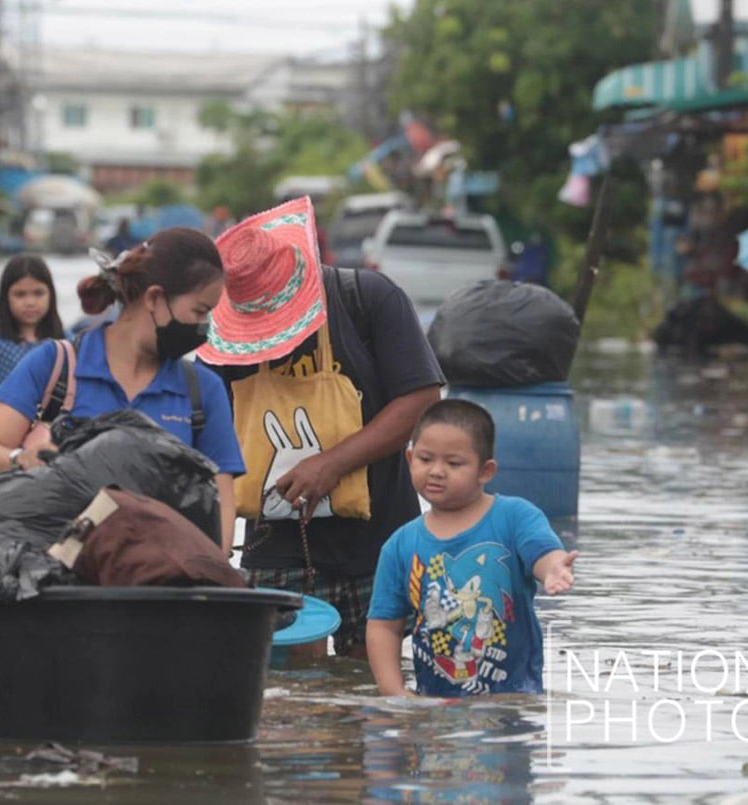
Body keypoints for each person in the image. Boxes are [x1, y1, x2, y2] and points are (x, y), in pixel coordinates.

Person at [199, 201, 443, 656]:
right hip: (275, 542)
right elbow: (210, 446)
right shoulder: (222, 339)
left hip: (378, 536)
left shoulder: (368, 299)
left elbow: (422, 400)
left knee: (372, 688)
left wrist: (331, 464)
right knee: (293, 700)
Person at [0, 228, 246, 552]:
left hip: (158, 581)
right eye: (199, 312)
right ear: (154, 298)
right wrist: (24, 459)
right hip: (53, 581)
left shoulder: (202, 390)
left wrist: (210, 569)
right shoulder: (56, 366)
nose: (205, 327)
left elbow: (223, 505)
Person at [366, 399, 578, 697]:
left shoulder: (515, 516)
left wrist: (553, 568)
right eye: (426, 460)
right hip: (434, 706)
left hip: (512, 698)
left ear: (485, 471)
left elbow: (541, 552)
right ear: (410, 458)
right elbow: (384, 625)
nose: (437, 471)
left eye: (454, 464)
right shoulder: (400, 545)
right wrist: (394, 692)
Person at [0, 254, 65, 406]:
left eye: (38, 293)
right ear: (6, 298)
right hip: (3, 423)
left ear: (51, 295)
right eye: (20, 294)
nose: (30, 302)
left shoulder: (65, 343)